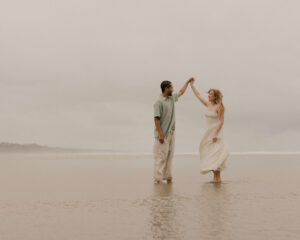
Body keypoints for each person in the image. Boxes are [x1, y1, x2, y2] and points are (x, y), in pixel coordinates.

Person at [153, 79, 192, 184]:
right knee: (161, 157)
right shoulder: (158, 102)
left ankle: (168, 177)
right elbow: (156, 119)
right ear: (166, 89)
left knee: (170, 156)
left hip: (171, 132)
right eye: (171, 87)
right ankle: (158, 179)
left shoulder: (171, 99)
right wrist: (161, 135)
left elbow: (181, 92)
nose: (173, 89)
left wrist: (187, 82)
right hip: (162, 134)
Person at [190, 78, 229, 183]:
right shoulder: (208, 104)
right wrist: (192, 86)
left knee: (217, 154)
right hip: (208, 133)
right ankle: (215, 178)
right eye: (209, 94)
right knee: (209, 154)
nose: (208, 96)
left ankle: (218, 179)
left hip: (216, 133)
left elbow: (221, 121)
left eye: (210, 94)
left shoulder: (220, 107)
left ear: (215, 96)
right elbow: (198, 96)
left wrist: (215, 134)